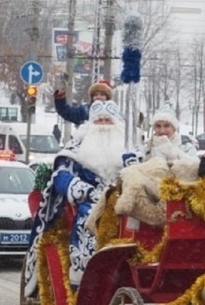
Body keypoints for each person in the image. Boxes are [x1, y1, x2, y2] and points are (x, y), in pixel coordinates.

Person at [23, 99, 137, 294]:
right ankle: (84, 272)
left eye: (107, 121)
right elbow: (61, 175)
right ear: (90, 124)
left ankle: (139, 264)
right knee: (89, 216)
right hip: (90, 199)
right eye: (99, 121)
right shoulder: (76, 149)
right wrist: (83, 190)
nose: (103, 126)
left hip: (124, 198)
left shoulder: (129, 149)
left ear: (117, 124)